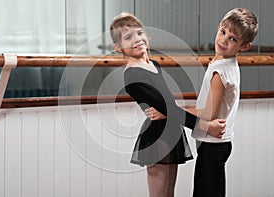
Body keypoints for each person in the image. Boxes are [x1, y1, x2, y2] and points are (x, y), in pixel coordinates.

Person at [110, 12, 226, 197]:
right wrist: (205, 127)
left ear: (147, 36)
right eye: (128, 37)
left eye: (139, 33)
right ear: (118, 47)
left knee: (169, 193)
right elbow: (168, 107)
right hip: (157, 138)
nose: (137, 39)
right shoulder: (132, 75)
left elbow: (167, 107)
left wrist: (167, 112)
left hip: (172, 131)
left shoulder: (154, 65)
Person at [146, 8, 258, 197]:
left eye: (233, 39)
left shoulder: (220, 71)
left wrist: (169, 112)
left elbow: (208, 115)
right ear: (218, 28)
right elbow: (205, 108)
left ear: (244, 46)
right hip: (217, 144)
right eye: (223, 32)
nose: (223, 40)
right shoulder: (224, 64)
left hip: (213, 145)